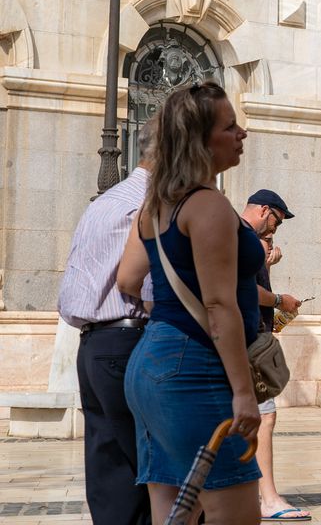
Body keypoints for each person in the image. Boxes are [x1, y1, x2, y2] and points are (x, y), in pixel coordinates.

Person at [116, 82, 264, 524]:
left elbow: (127, 279)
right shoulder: (209, 206)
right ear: (201, 140)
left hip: (150, 363)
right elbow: (219, 307)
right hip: (194, 366)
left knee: (174, 514)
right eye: (230, 126)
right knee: (233, 510)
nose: (241, 134)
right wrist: (243, 392)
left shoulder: (156, 205)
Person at [57, 118, 158, 525]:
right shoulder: (147, 205)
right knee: (152, 472)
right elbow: (149, 289)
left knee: (110, 472)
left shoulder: (106, 201)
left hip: (93, 343)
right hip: (128, 341)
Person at [241, 190, 309, 522]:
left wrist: (264, 265)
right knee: (265, 416)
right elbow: (241, 288)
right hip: (247, 341)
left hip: (240, 337)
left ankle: (246, 494)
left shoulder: (241, 239)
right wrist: (281, 300)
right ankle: (268, 498)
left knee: (245, 420)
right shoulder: (244, 238)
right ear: (265, 210)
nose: (274, 231)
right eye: (276, 222)